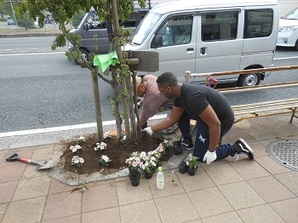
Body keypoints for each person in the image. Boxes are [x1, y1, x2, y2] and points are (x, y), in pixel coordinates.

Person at [142, 72, 254, 164]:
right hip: (205, 119)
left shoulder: (193, 97)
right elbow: (172, 119)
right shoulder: (179, 96)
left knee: (200, 156)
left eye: (161, 92)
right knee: (180, 114)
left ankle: (236, 147)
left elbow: (215, 124)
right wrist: (151, 129)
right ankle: (187, 141)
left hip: (221, 121)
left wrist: (211, 151)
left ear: (169, 89)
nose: (162, 95)